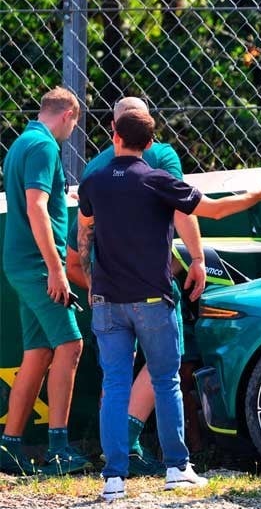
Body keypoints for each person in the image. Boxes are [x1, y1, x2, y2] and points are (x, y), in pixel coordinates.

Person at [78, 109, 261, 501]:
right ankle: (177, 468)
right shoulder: (158, 180)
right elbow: (214, 210)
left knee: (115, 384)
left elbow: (84, 232)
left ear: (113, 134)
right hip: (152, 299)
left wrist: (94, 282)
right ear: (150, 144)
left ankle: (113, 479)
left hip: (107, 301)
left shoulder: (93, 181)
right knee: (166, 382)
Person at [66, 96, 202, 476]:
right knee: (166, 370)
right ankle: (171, 462)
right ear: (148, 131)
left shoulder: (95, 169)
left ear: (114, 129)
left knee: (115, 375)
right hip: (150, 283)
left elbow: (78, 240)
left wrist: (95, 284)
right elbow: (183, 208)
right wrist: (198, 259)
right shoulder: (160, 158)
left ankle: (116, 467)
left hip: (104, 286)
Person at [0, 87, 88, 476]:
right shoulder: (44, 146)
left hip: (23, 263)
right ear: (68, 114)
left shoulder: (22, 143)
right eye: (75, 124)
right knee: (70, 344)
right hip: (38, 265)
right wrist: (56, 269)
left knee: (39, 352)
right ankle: (57, 449)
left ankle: (10, 446)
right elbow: (36, 205)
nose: (72, 131)